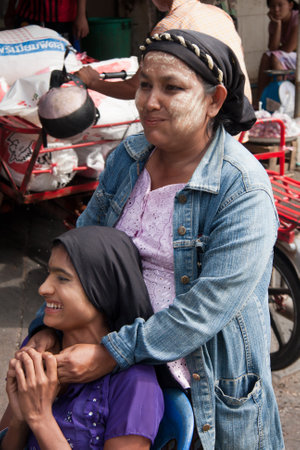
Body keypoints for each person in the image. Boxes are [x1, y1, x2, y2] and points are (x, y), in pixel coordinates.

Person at [15, 29, 284, 449]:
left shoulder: (243, 191)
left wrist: (109, 355)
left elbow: (205, 308)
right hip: (120, 360)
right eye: (144, 84)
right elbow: (82, 247)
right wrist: (45, 328)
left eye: (171, 88)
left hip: (200, 381)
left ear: (214, 101)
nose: (149, 101)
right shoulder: (130, 156)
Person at [0, 226, 164, 450]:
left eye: (62, 278)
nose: (43, 288)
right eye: (49, 274)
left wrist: (40, 418)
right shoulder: (39, 349)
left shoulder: (135, 384)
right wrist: (20, 420)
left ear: (103, 289)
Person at [76, 0, 251, 104]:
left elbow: (134, 88)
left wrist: (92, 81)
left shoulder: (168, 28)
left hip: (210, 130)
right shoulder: (219, 14)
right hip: (240, 120)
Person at [256, 0, 299, 105]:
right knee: (266, 56)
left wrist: (278, 49)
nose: (276, 10)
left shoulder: (297, 18)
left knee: (275, 57)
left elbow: (289, 48)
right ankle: (259, 101)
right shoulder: (274, 22)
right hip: (290, 57)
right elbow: (272, 48)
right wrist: (278, 25)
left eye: (280, 5)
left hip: (297, 57)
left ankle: (281, 101)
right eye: (272, 6)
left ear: (290, 5)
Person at [4, 0, 89, 45]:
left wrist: (81, 15)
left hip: (62, 16)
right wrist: (10, 9)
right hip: (28, 14)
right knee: (26, 55)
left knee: (63, 58)